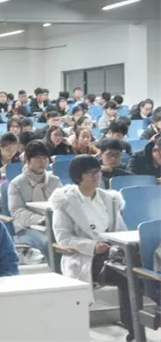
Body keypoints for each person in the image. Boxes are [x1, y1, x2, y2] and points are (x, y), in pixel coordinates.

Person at [51, 155, 133, 340]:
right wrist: (93, 246)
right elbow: (63, 237)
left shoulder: (109, 198)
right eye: (89, 173)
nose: (95, 176)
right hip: (86, 257)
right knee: (128, 275)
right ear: (78, 177)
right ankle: (133, 326)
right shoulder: (65, 201)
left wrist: (117, 245)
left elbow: (121, 231)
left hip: (114, 253)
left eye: (97, 172)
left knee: (137, 271)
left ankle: (135, 325)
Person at [8, 140, 62, 264]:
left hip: (55, 224)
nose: (42, 162)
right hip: (27, 227)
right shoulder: (17, 183)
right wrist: (41, 220)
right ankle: (54, 270)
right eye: (37, 158)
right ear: (27, 159)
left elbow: (64, 204)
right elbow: (17, 211)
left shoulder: (54, 181)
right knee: (48, 242)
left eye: (44, 158)